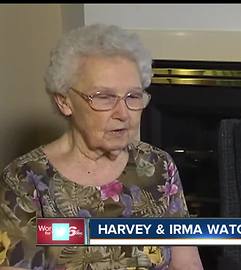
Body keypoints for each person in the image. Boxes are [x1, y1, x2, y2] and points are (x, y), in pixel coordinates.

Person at [0, 24, 203, 269]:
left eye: (133, 96)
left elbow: (187, 263)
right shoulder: (24, 180)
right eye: (104, 97)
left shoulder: (158, 167)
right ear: (65, 102)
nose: (123, 113)